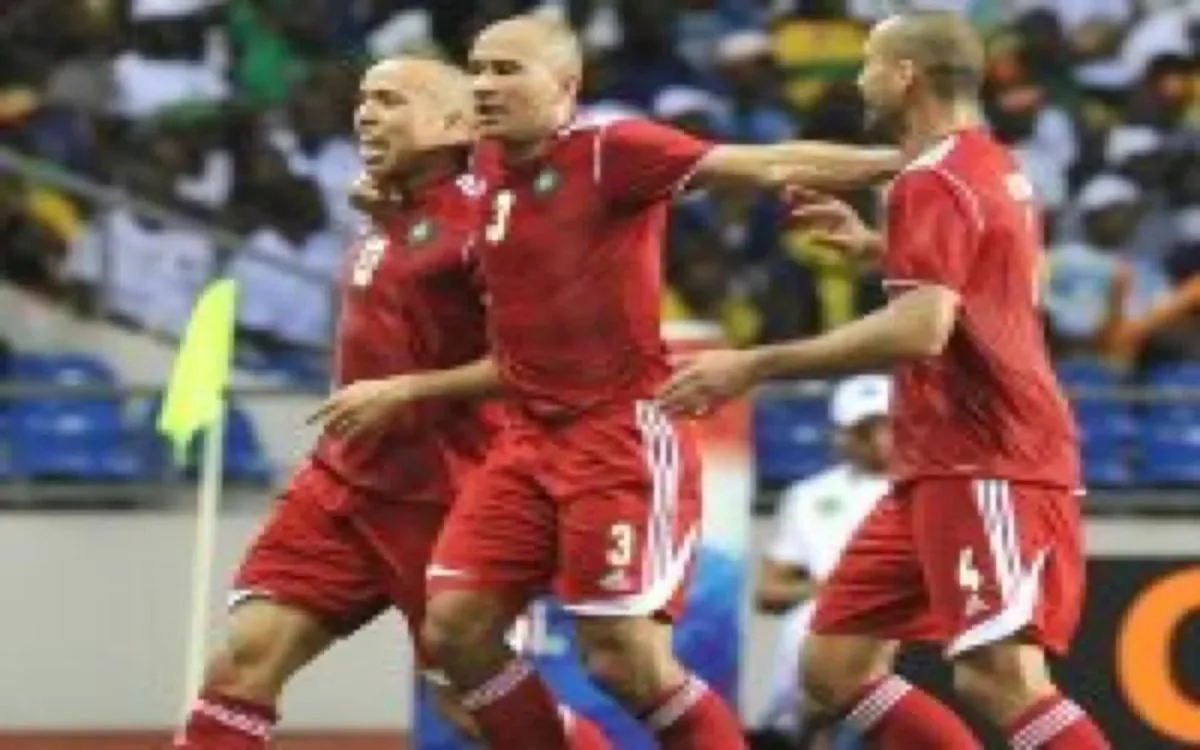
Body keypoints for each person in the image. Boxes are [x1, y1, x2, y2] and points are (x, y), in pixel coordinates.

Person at [312, 14, 901, 750]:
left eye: (507, 70)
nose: (485, 85)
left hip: (618, 438)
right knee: (456, 629)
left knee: (624, 661)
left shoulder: (612, 153)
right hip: (524, 442)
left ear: (567, 84)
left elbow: (770, 162)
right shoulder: (481, 162)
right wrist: (386, 194)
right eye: (479, 69)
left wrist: (910, 162)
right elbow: (412, 165)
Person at [657, 12, 1109, 750]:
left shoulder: (929, 177)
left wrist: (754, 363)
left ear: (905, 76)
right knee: (833, 667)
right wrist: (879, 249)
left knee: (1000, 679)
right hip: (937, 457)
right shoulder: (990, 162)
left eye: (869, 63)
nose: (859, 78)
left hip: (987, 454)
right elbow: (986, 284)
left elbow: (919, 330)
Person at [175, 57, 607, 750]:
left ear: (457, 123)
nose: (366, 116)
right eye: (365, 100)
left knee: (467, 708)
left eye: (391, 101)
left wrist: (409, 389)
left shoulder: (497, 224)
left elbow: (551, 361)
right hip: (342, 487)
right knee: (243, 663)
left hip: (456, 500)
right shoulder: (389, 202)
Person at [754, 375, 891, 748]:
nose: (881, 439)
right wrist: (830, 588)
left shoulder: (924, 490)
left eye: (889, 425)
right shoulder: (808, 496)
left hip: (898, 638)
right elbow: (768, 591)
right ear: (842, 434)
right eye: (866, 430)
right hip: (819, 642)